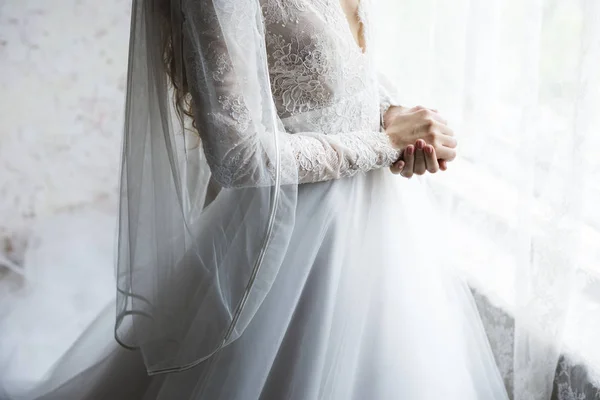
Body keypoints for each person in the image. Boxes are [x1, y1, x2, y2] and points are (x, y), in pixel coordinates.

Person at [29, 0, 511, 398]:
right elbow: (238, 156)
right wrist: (383, 144)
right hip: (295, 238)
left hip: (387, 230)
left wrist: (399, 119)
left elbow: (341, 67)